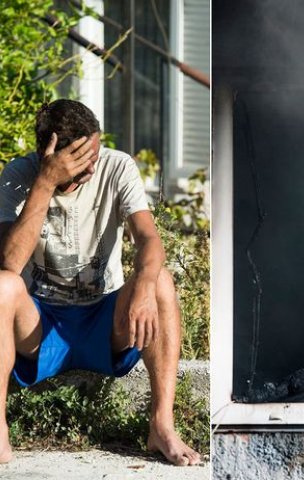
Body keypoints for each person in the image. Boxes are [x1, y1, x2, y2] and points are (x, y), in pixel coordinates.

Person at [0, 99, 200, 466]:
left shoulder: (117, 165)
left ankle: (162, 425)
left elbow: (149, 241)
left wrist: (143, 284)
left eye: (93, 154)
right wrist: (45, 183)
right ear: (47, 154)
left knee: (160, 282)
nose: (91, 167)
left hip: (103, 323)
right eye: (78, 163)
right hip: (40, 326)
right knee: (1, 286)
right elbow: (10, 263)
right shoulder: (19, 175)